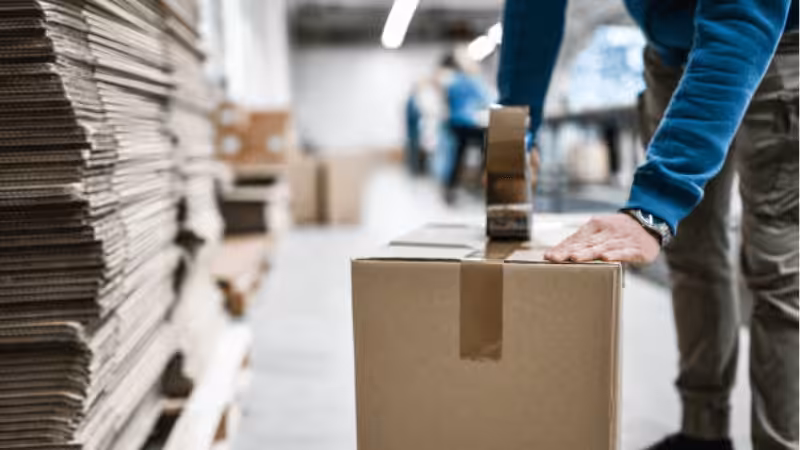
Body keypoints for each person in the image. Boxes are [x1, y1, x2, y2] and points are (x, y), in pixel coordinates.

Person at [497, 1, 798, 449]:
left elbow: (742, 16)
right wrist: (517, 127)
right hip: (671, 54)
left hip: (777, 45)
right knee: (692, 254)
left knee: (778, 265)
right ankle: (703, 431)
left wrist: (655, 204)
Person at [439, 51, 492, 204]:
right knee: (486, 147)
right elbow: (486, 99)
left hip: (455, 125)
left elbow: (447, 103)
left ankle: (450, 187)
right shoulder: (472, 81)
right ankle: (483, 181)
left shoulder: (452, 81)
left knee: (458, 155)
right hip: (470, 124)